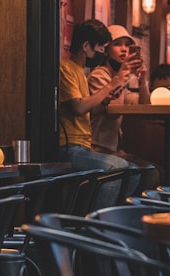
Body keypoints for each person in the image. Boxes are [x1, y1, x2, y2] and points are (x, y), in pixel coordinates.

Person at [59, 19, 132, 203]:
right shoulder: (65, 69)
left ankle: (107, 219)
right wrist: (112, 84)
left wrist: (105, 97)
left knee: (133, 172)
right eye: (100, 49)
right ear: (86, 46)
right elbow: (79, 107)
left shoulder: (81, 72)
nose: (102, 54)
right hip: (68, 147)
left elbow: (90, 107)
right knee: (118, 167)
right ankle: (95, 223)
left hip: (84, 146)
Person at [88, 25, 150, 155]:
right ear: (106, 50)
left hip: (114, 149)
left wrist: (142, 80)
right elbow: (114, 111)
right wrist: (122, 75)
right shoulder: (99, 75)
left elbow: (144, 106)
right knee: (145, 172)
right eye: (117, 44)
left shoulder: (121, 76)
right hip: (97, 147)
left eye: (128, 45)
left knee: (153, 170)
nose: (124, 49)